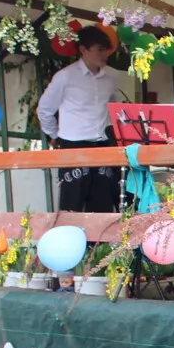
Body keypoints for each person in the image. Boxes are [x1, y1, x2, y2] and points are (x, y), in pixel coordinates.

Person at [37, 26, 123, 212]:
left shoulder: (112, 76)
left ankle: (100, 242)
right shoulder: (65, 76)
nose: (105, 54)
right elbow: (44, 109)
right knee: (71, 205)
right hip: (73, 144)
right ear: (83, 50)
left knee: (102, 204)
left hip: (102, 144)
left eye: (107, 49)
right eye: (99, 49)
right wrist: (55, 135)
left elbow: (116, 108)